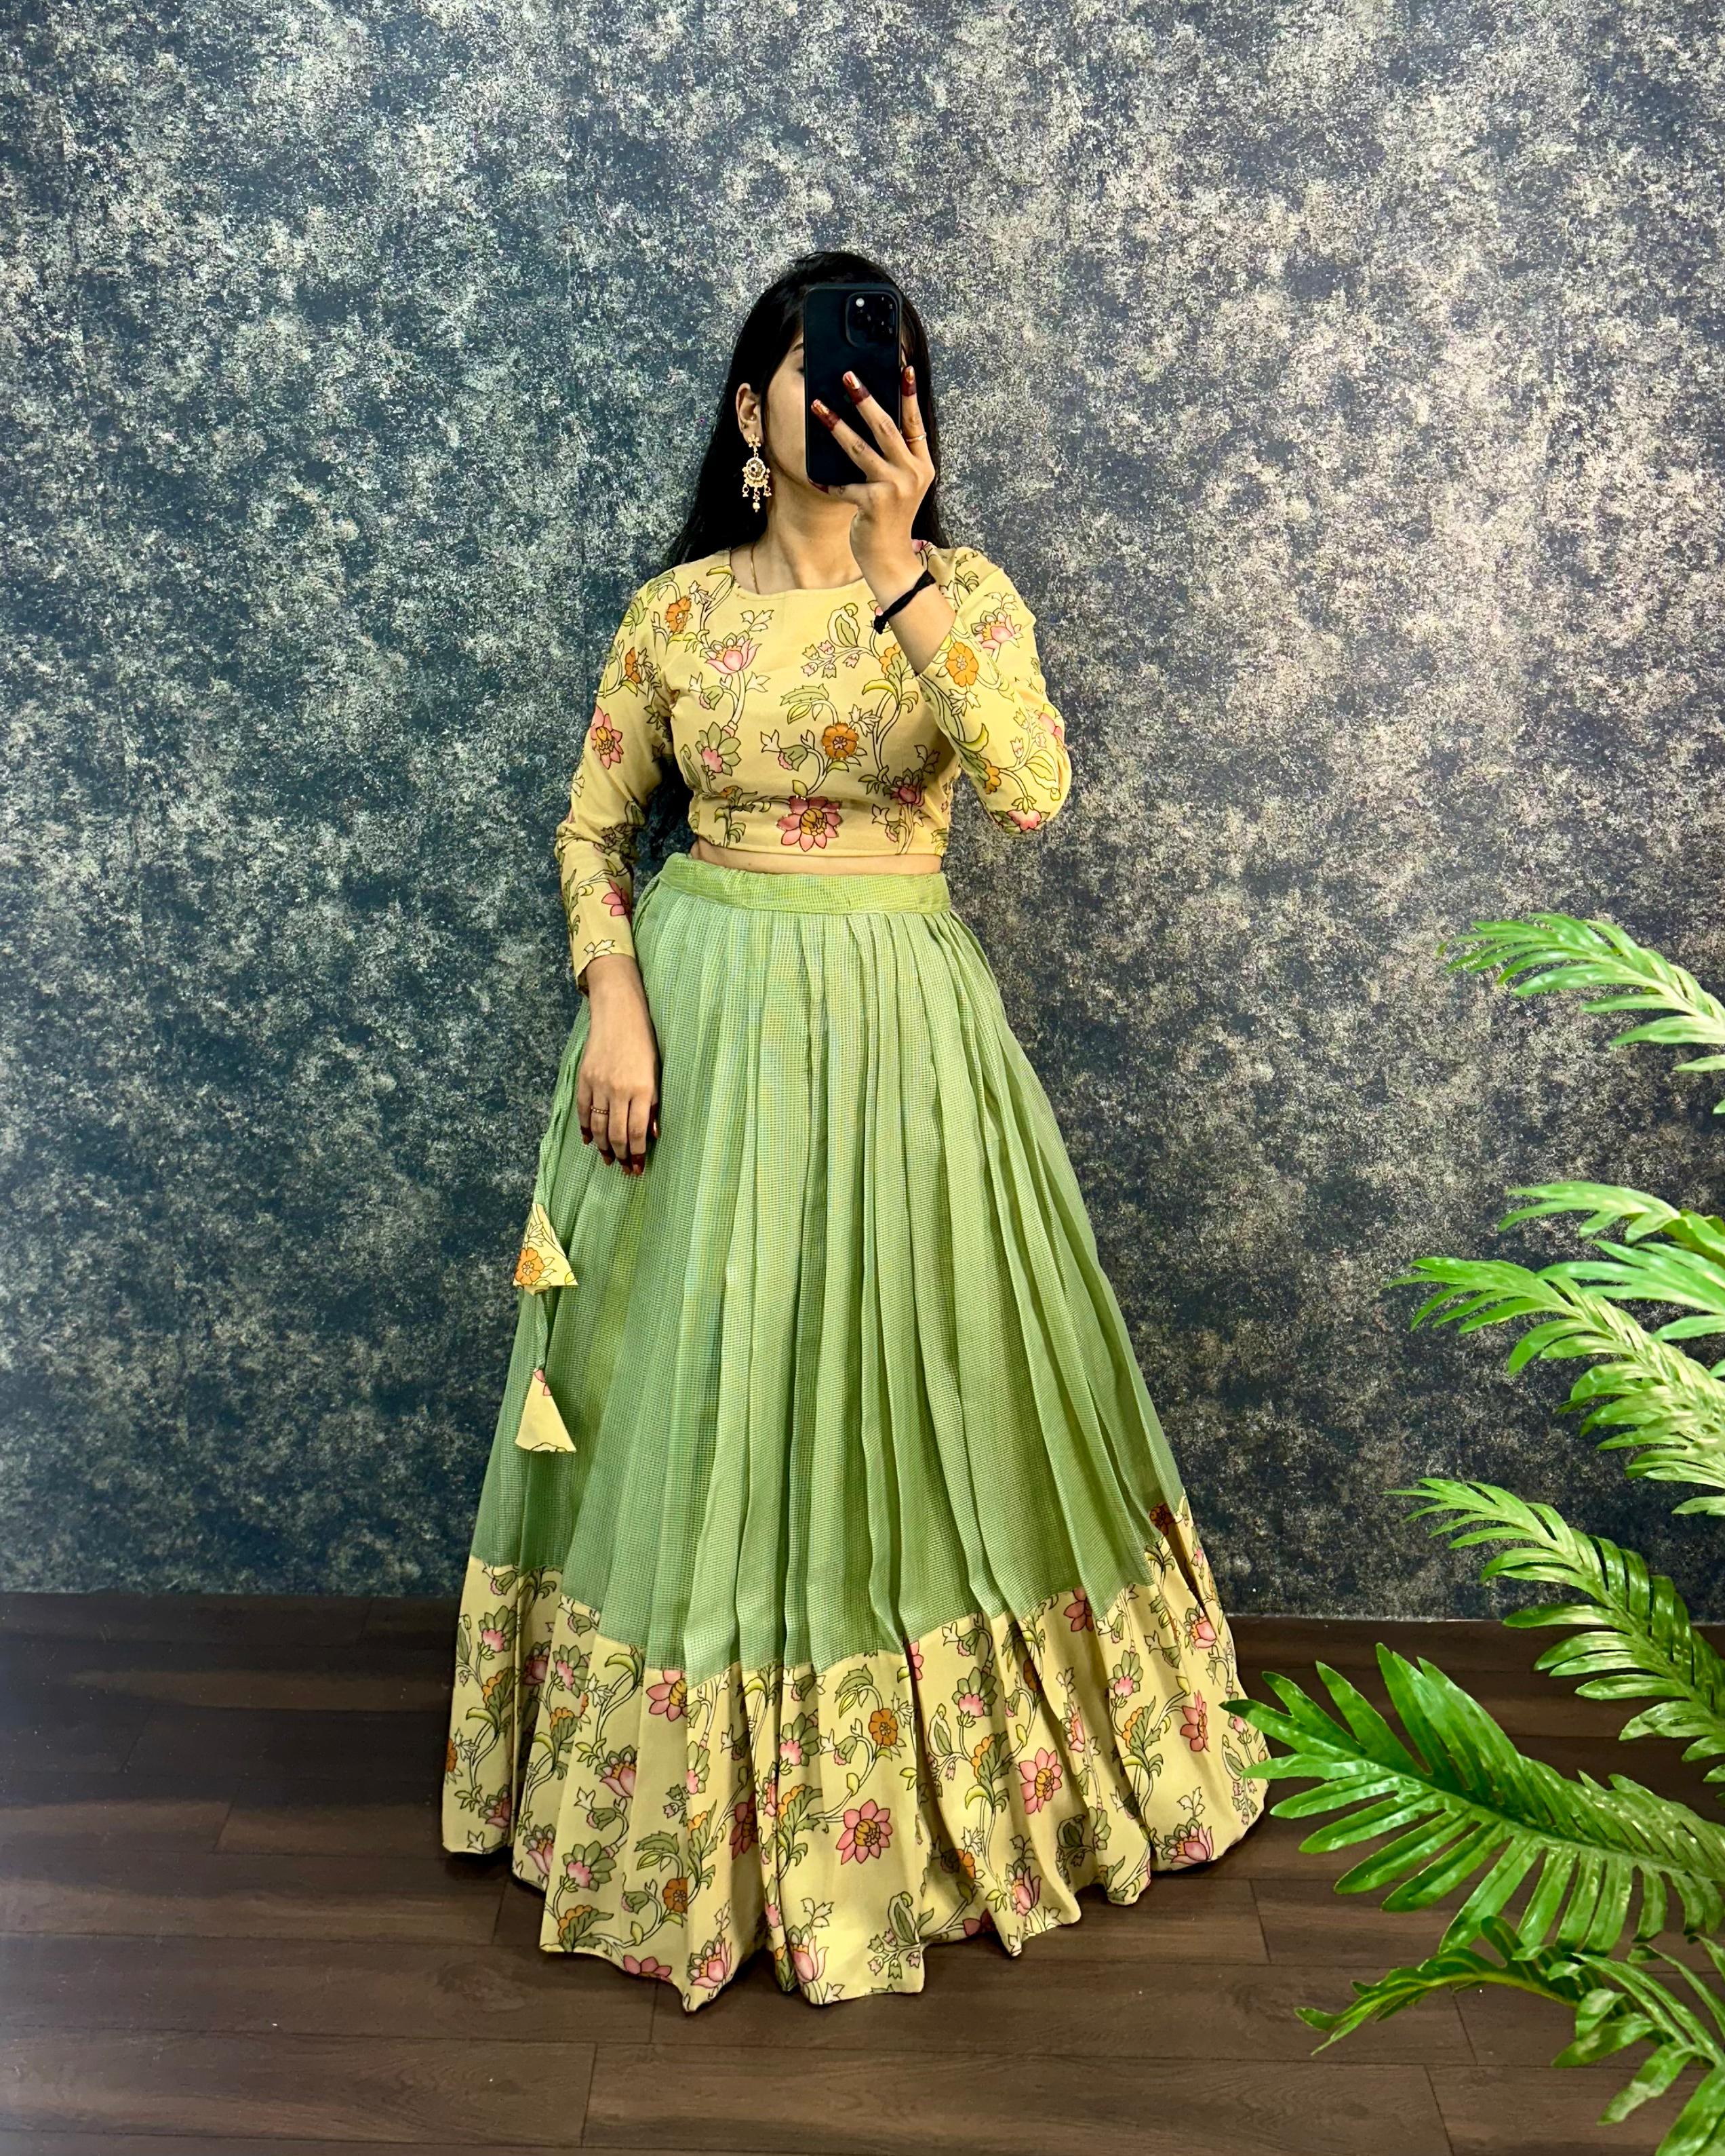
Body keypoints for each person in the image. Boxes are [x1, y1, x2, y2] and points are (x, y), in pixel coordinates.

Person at [441, 247, 1267, 2012]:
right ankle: (684, 1813)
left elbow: (1031, 788)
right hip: (697, 1037)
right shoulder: (677, 616)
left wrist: (903, 573)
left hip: (902, 1040)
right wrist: (615, 1000)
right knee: (704, 1402)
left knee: (913, 1388)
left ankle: (913, 1806)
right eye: (816, 374)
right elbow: (592, 833)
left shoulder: (963, 597)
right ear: (752, 410)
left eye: (881, 377)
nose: (847, 402)